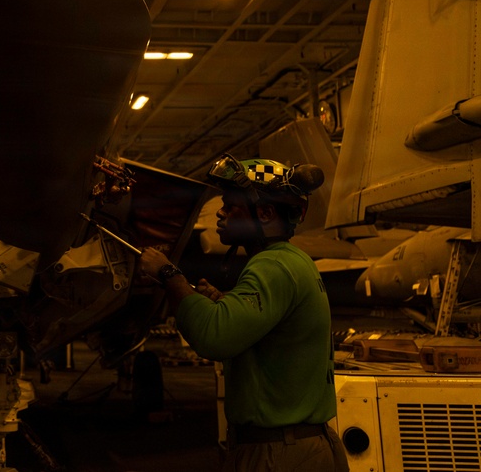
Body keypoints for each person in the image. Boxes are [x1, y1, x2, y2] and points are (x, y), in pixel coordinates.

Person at [138, 154, 349, 472]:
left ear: (264, 213)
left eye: (230, 205)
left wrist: (169, 275)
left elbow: (214, 336)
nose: (220, 213)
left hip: (279, 453)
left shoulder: (272, 266)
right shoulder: (293, 260)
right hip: (298, 446)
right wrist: (224, 303)